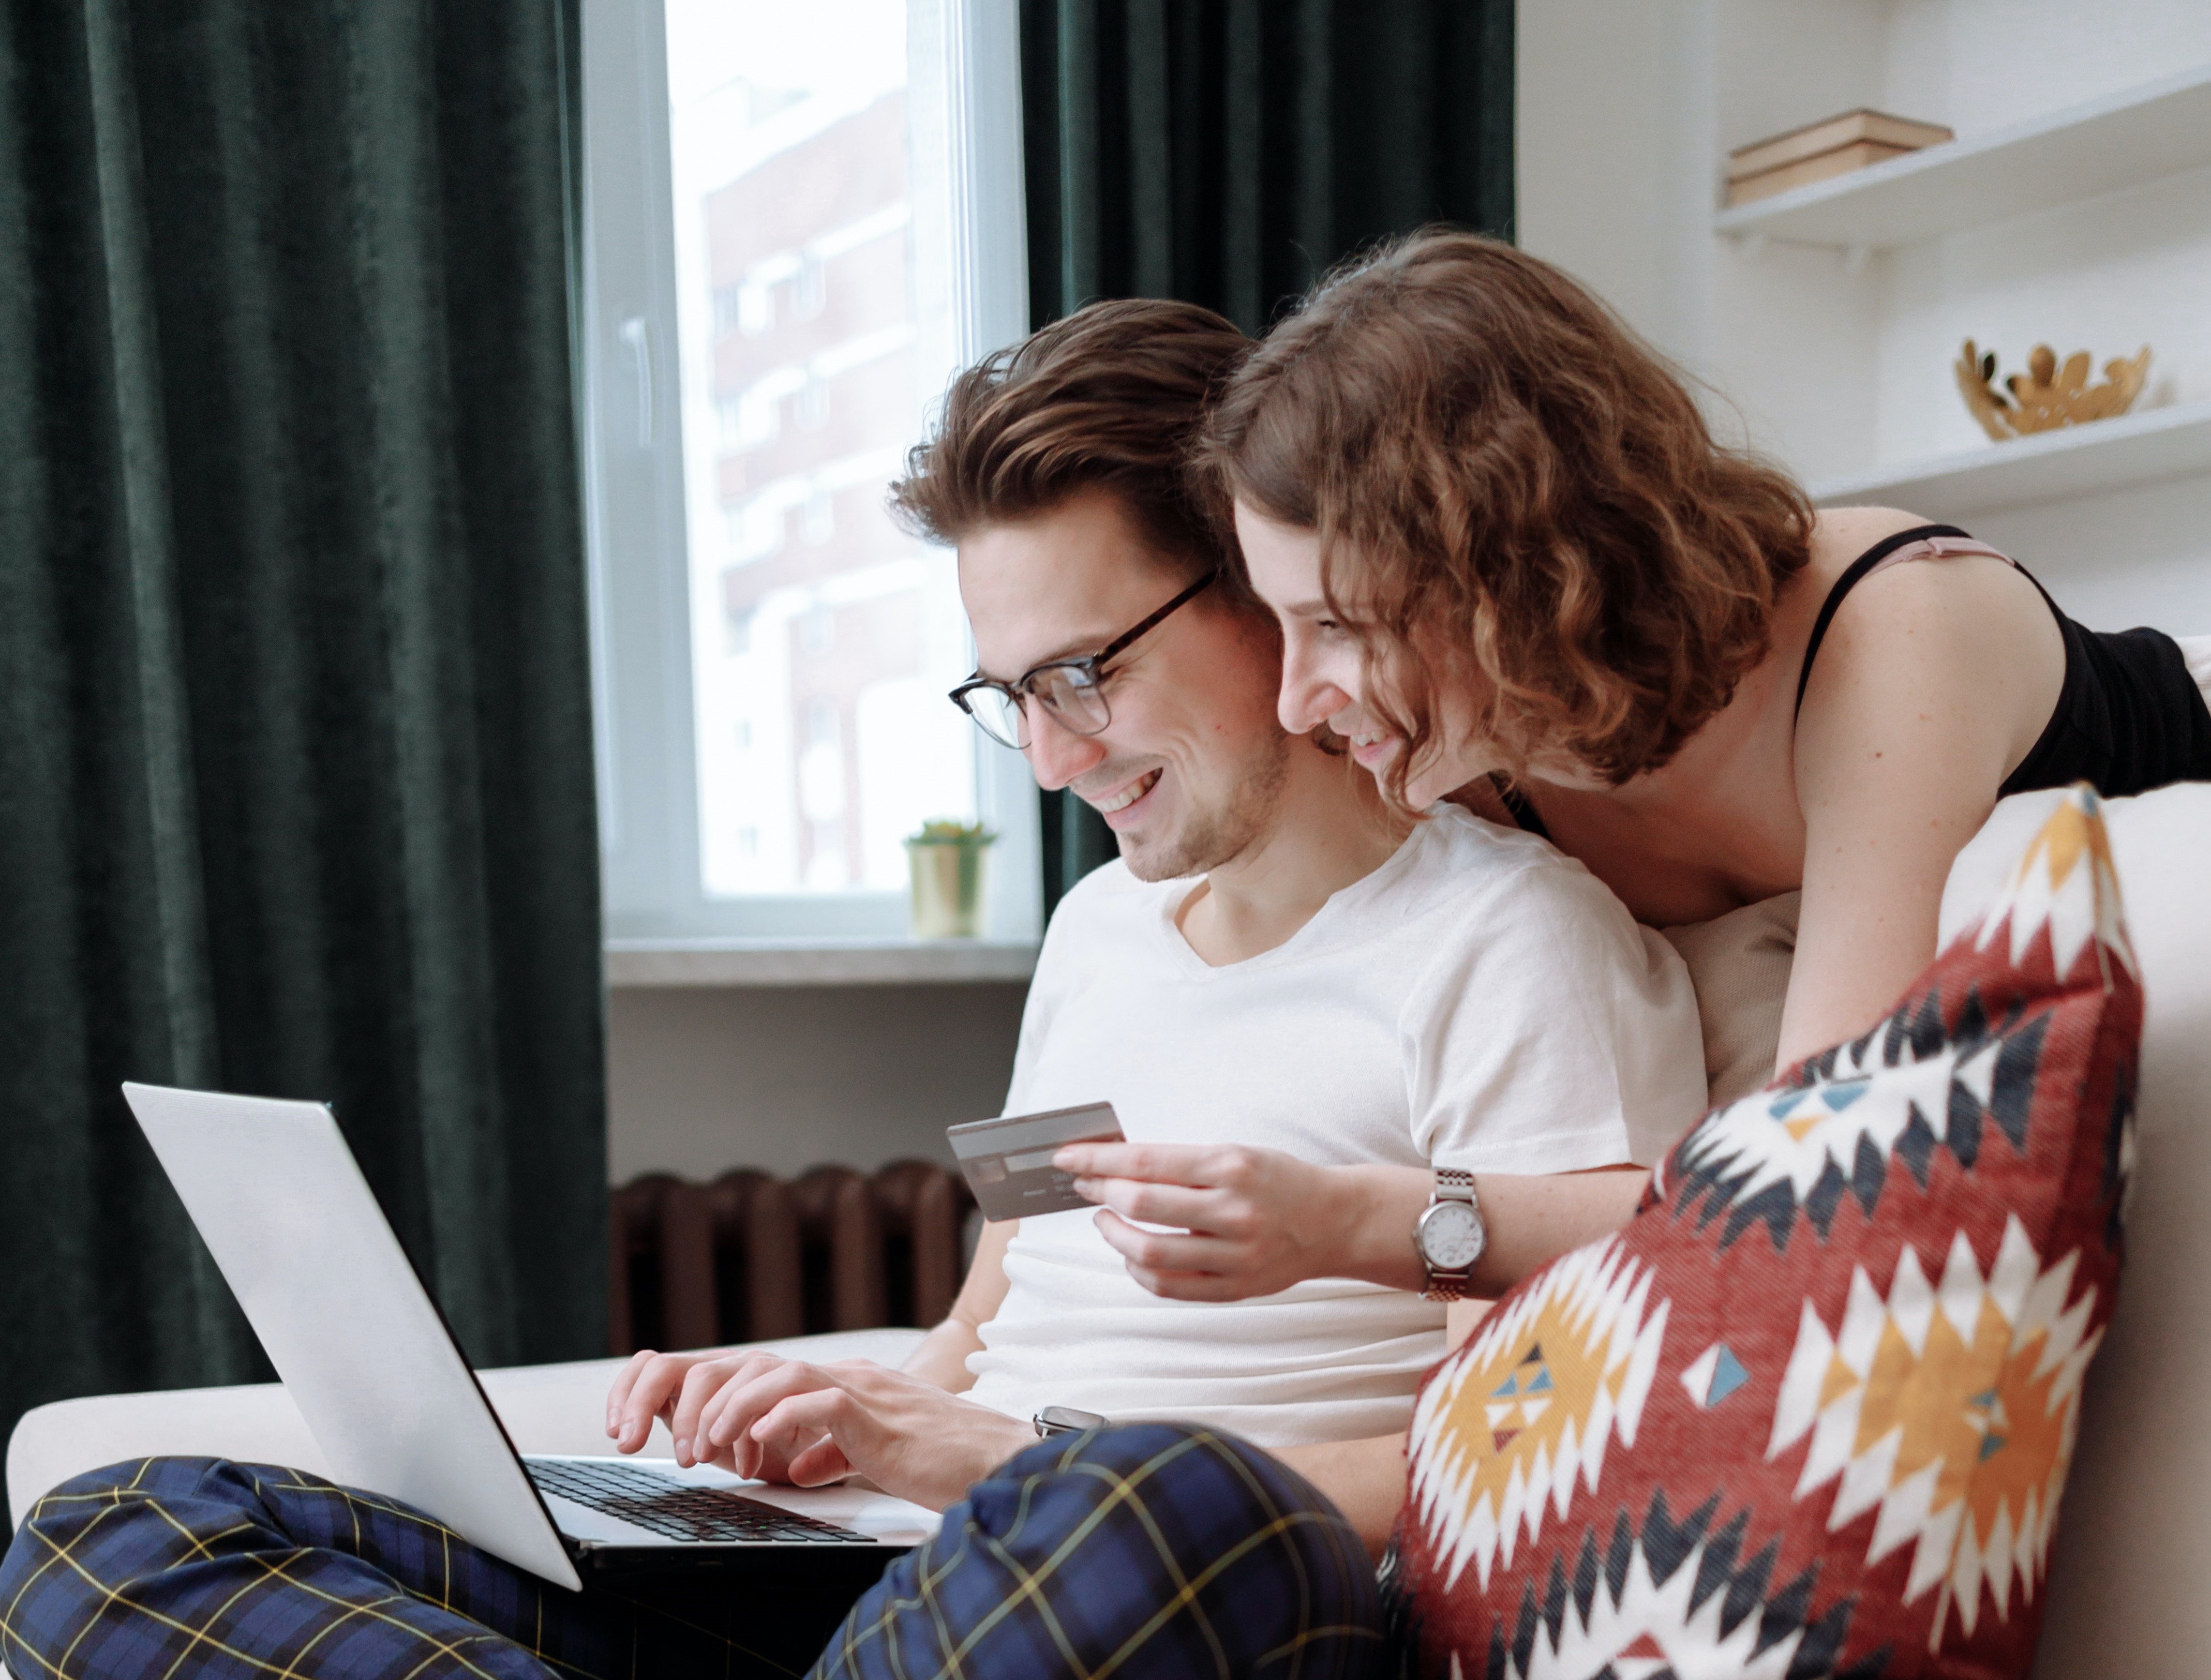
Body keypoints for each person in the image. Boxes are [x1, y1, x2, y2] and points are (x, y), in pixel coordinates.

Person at [0, 297, 1706, 1680]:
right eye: (1006, 694)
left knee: (1148, 1489)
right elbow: (992, 1300)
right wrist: (849, 1420)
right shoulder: (1100, 929)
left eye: (1081, 674)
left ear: (1269, 586)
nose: (1048, 756)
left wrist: (992, 1463)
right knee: (120, 1525)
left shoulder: (1508, 939)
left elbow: (1519, 1444)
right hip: (925, 1590)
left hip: (1190, 1572)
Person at [1052, 227, 2211, 1310]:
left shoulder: (1891, 633)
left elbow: (1818, 1165)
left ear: (1514, 569)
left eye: (1343, 626)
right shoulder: (1465, 745)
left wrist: (1367, 1219)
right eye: (1282, 624)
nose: (1298, 696)